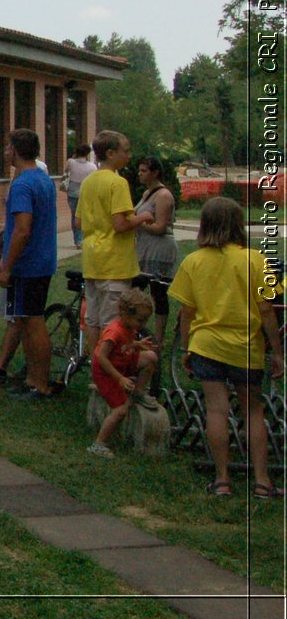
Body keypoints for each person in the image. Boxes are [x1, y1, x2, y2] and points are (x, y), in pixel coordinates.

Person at [169, 197, 284, 497]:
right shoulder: (256, 260)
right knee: (253, 412)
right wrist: (278, 351)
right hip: (246, 347)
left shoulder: (192, 262)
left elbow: (186, 312)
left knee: (217, 411)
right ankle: (262, 481)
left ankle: (222, 480)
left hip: (206, 345)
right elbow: (268, 310)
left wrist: (186, 349)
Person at [0, 129, 60, 399]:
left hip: (29, 264)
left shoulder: (22, 184)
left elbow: (24, 230)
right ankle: (32, 378)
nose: (5, 151)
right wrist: (5, 227)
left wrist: (6, 264)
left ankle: (40, 383)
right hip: (43, 259)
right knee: (27, 320)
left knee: (33, 322)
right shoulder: (44, 179)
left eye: (7, 147)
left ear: (15, 150)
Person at [78, 130, 153, 353]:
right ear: (111, 153)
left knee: (93, 317)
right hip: (114, 262)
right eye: (125, 151)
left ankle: (96, 364)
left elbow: (78, 219)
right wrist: (142, 217)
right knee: (113, 321)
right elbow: (120, 224)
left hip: (92, 260)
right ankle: (109, 367)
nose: (129, 156)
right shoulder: (117, 183)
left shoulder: (88, 182)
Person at [87, 288, 159, 458]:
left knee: (151, 358)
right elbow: (101, 356)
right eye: (140, 320)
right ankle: (99, 443)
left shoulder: (129, 327)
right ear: (124, 313)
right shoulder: (114, 331)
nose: (143, 324)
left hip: (123, 361)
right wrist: (119, 378)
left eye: (145, 320)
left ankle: (138, 392)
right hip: (107, 372)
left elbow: (125, 345)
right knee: (121, 410)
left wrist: (136, 345)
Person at [134, 156, 179, 347]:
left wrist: (138, 222)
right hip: (144, 248)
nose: (139, 174)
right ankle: (134, 330)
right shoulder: (146, 194)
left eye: (144, 171)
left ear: (155, 173)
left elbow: (160, 226)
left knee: (158, 292)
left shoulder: (163, 196)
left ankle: (159, 339)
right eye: (139, 170)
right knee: (135, 290)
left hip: (159, 250)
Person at [61, 143, 96, 248]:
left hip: (72, 192)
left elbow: (66, 171)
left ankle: (78, 240)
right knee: (86, 216)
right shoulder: (92, 167)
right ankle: (86, 237)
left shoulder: (71, 162)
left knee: (75, 216)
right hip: (86, 193)